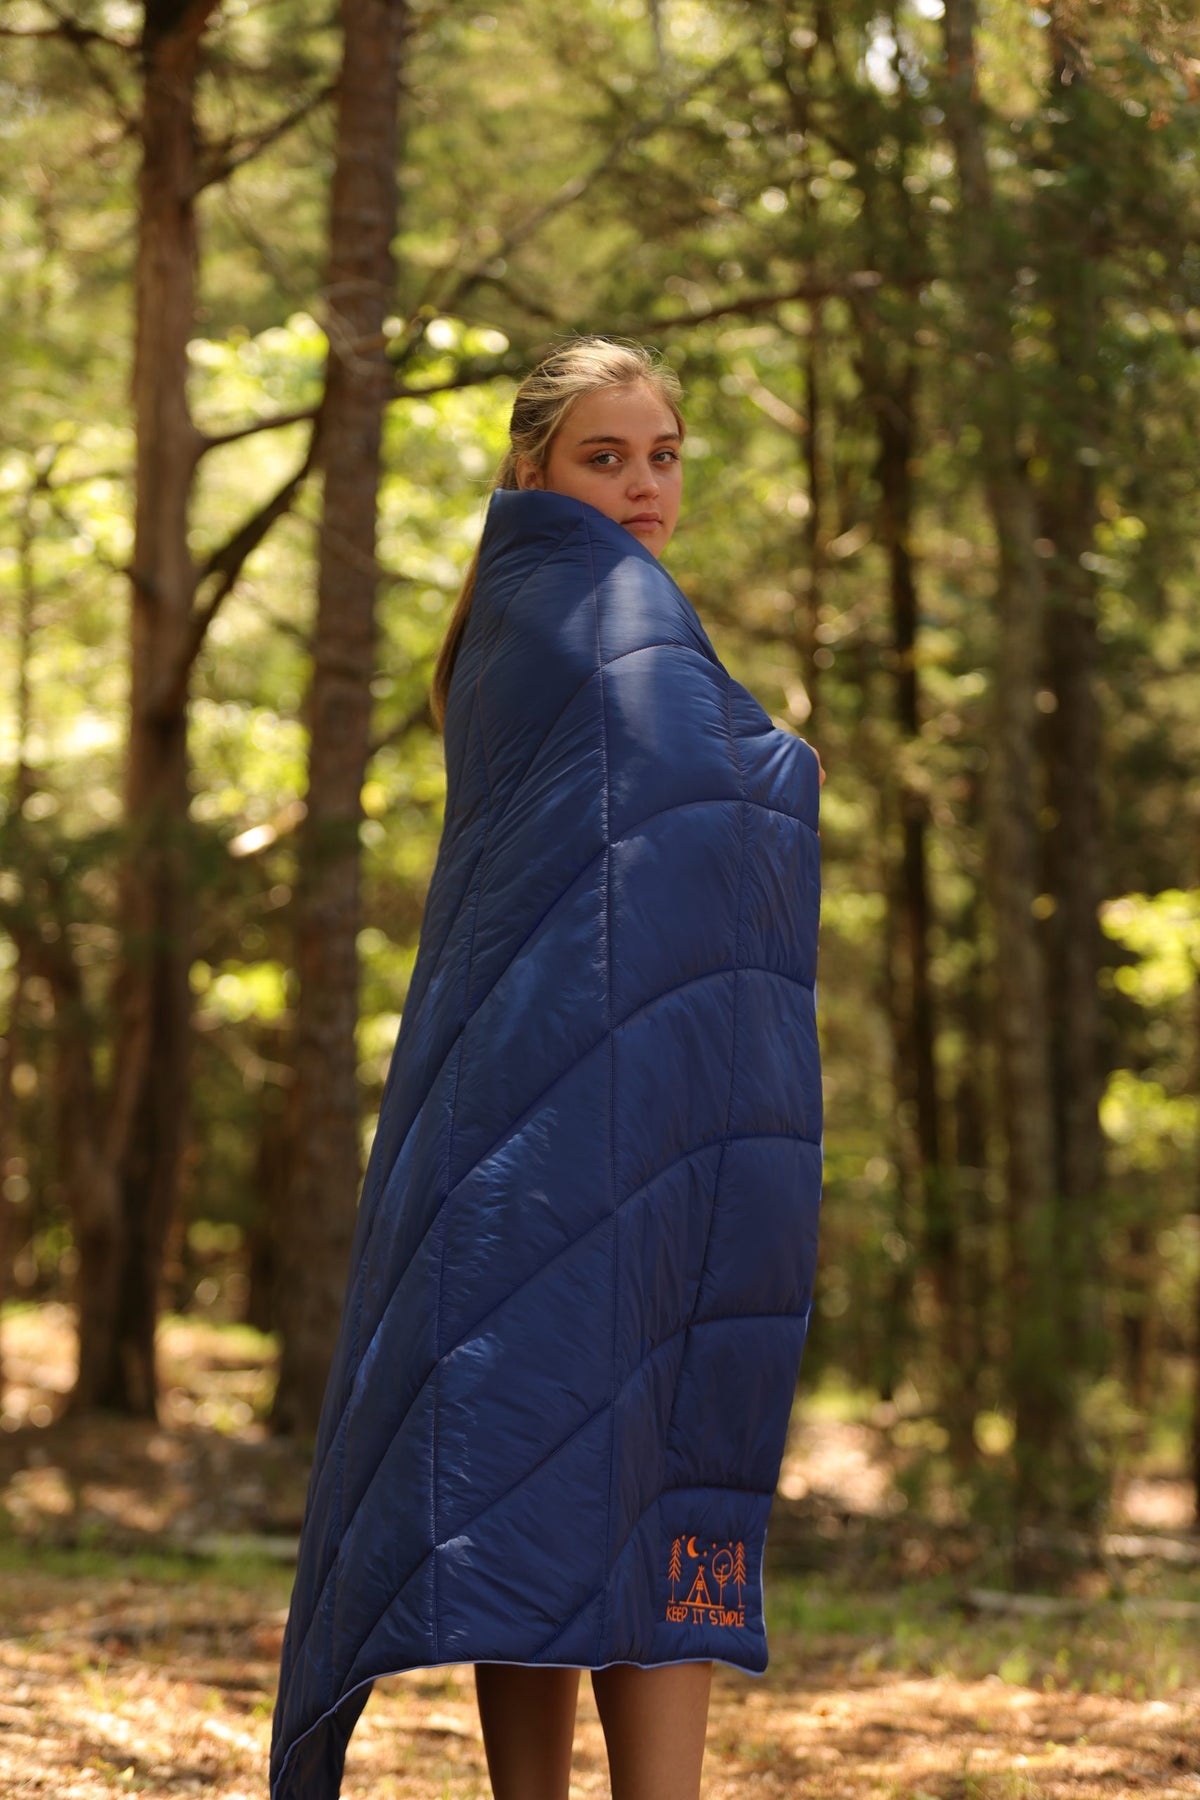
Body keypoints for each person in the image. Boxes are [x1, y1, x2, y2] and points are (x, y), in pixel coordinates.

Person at [270, 338, 823, 1800]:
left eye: (663, 456)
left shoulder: (528, 614)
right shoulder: (580, 609)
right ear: (536, 472)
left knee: (565, 1467)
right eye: (605, 456)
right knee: (594, 1459)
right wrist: (789, 768)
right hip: (576, 1124)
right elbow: (695, 794)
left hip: (581, 1124)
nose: (642, 485)